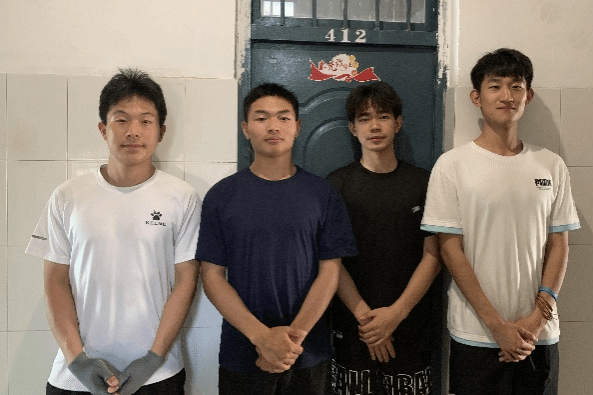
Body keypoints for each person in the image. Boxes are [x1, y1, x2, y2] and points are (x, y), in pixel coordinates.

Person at [26, 69, 201, 395]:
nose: (133, 131)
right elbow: (55, 282)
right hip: (74, 376)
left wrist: (154, 358)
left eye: (145, 121)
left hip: (158, 375)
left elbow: (186, 280)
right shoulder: (68, 196)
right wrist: (77, 360)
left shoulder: (182, 198)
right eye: (121, 120)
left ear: (161, 131)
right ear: (103, 129)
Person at [421, 48, 580, 394]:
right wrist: (496, 326)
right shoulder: (452, 165)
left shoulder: (551, 164)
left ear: (528, 95)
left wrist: (536, 320)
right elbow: (450, 250)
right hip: (475, 333)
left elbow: (559, 245)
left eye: (516, 86)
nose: (507, 96)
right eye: (495, 86)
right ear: (476, 97)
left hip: (538, 336)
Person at [196, 83, 357, 395]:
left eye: (283, 118)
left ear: (297, 127)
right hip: (242, 351)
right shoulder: (221, 196)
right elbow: (212, 275)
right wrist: (261, 337)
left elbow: (330, 271)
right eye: (261, 118)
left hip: (308, 352)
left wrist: (292, 340)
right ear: (245, 128)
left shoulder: (322, 194)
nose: (273, 126)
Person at [327, 81, 442, 395]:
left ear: (398, 123)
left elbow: (433, 256)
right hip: (354, 327)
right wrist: (368, 321)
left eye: (383, 116)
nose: (374, 126)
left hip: (411, 324)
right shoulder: (336, 185)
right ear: (353, 128)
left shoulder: (423, 182)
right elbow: (332, 262)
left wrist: (395, 315)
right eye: (364, 119)